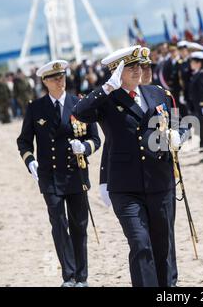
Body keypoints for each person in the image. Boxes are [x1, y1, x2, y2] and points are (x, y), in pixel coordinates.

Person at [72, 45, 188, 287]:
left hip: (160, 182)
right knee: (139, 242)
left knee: (163, 245)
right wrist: (106, 88)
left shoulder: (157, 94)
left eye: (140, 66)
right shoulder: (106, 100)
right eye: (131, 67)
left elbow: (180, 121)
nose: (138, 71)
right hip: (126, 186)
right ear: (117, 71)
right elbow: (79, 112)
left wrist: (179, 136)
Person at [16, 60, 101, 287]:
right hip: (49, 176)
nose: (60, 81)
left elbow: (95, 138)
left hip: (76, 175)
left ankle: (82, 277)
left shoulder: (79, 104)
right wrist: (30, 161)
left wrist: (85, 148)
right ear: (44, 82)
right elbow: (24, 141)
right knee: (58, 225)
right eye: (54, 78)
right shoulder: (36, 108)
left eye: (62, 76)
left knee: (78, 225)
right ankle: (69, 276)